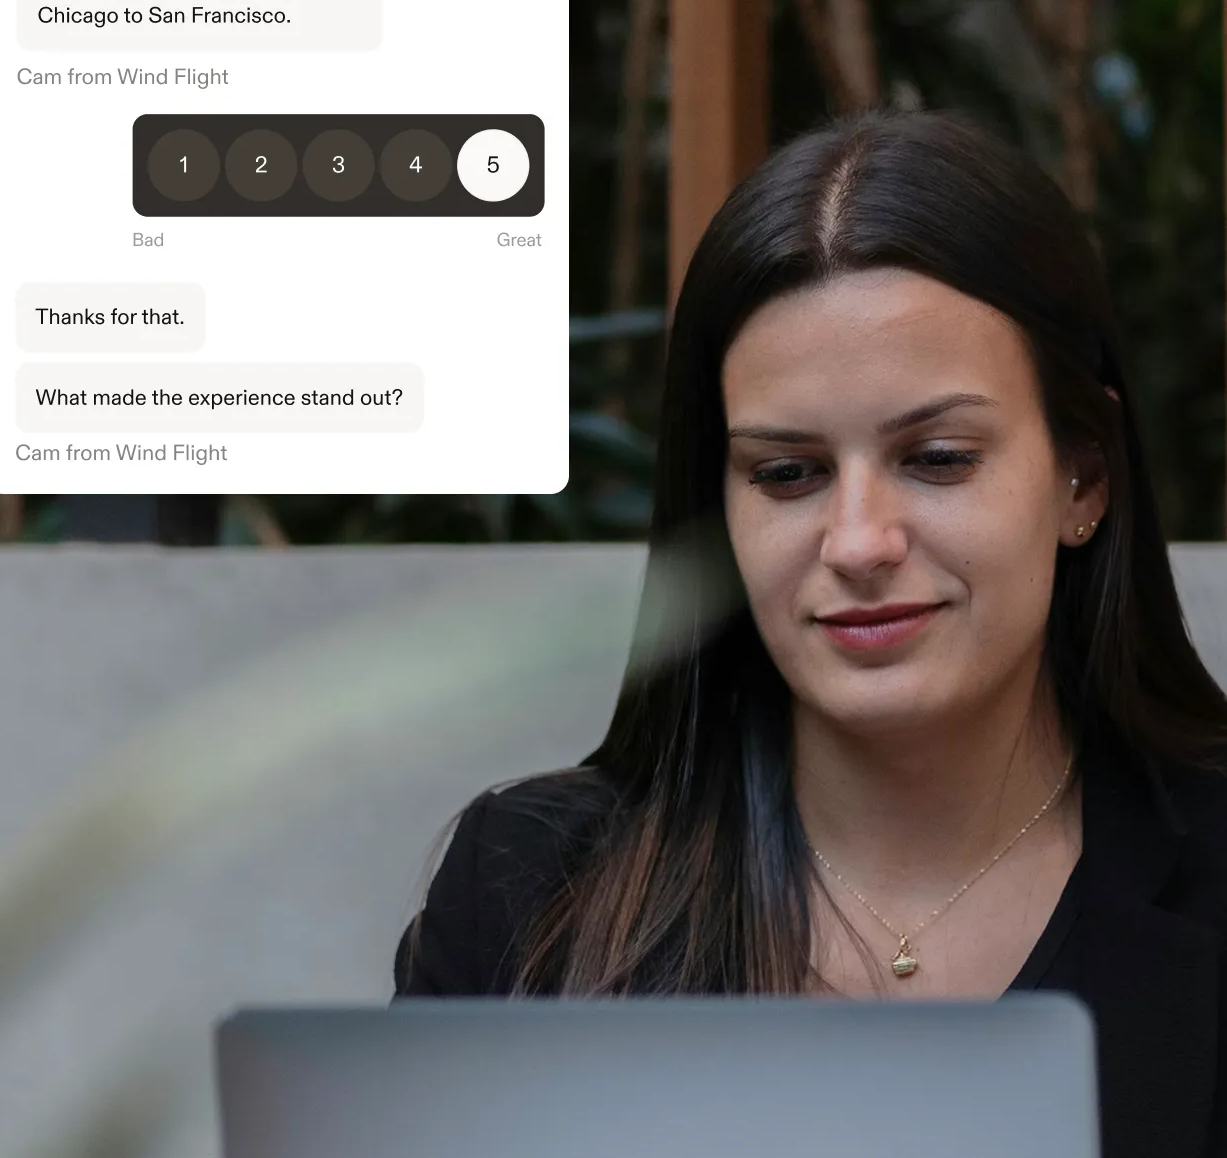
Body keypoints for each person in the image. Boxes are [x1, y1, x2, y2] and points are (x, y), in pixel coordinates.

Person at [392, 109, 1227, 1158]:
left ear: (1082, 478)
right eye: (786, 473)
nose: (858, 541)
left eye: (935, 457)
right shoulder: (523, 893)